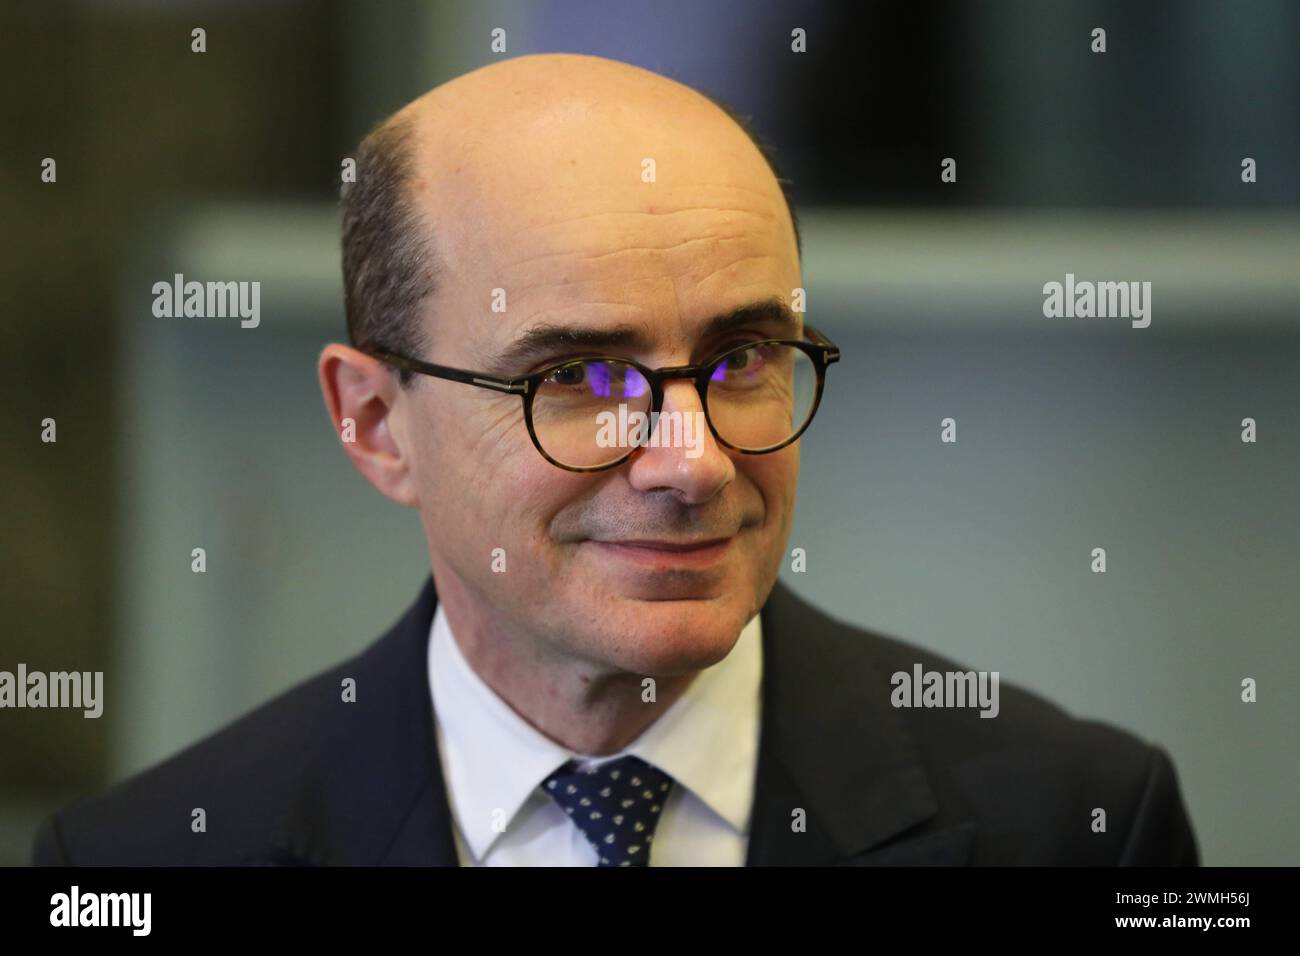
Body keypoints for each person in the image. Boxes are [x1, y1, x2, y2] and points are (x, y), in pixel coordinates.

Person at [31, 52, 1197, 866]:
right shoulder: (147, 857)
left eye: (742, 355)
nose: (690, 462)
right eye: (580, 378)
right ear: (378, 423)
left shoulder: (1073, 821)